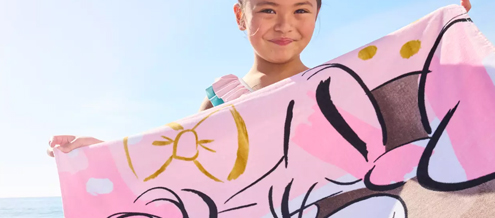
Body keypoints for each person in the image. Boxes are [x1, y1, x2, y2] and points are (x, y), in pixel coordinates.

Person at [47, 0, 472, 157]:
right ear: (240, 15)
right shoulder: (221, 96)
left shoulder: (335, 86)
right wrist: (99, 154)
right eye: (268, 9)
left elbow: (403, 126)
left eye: (301, 10)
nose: (285, 25)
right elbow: (168, 155)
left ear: (317, 14)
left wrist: (450, 34)